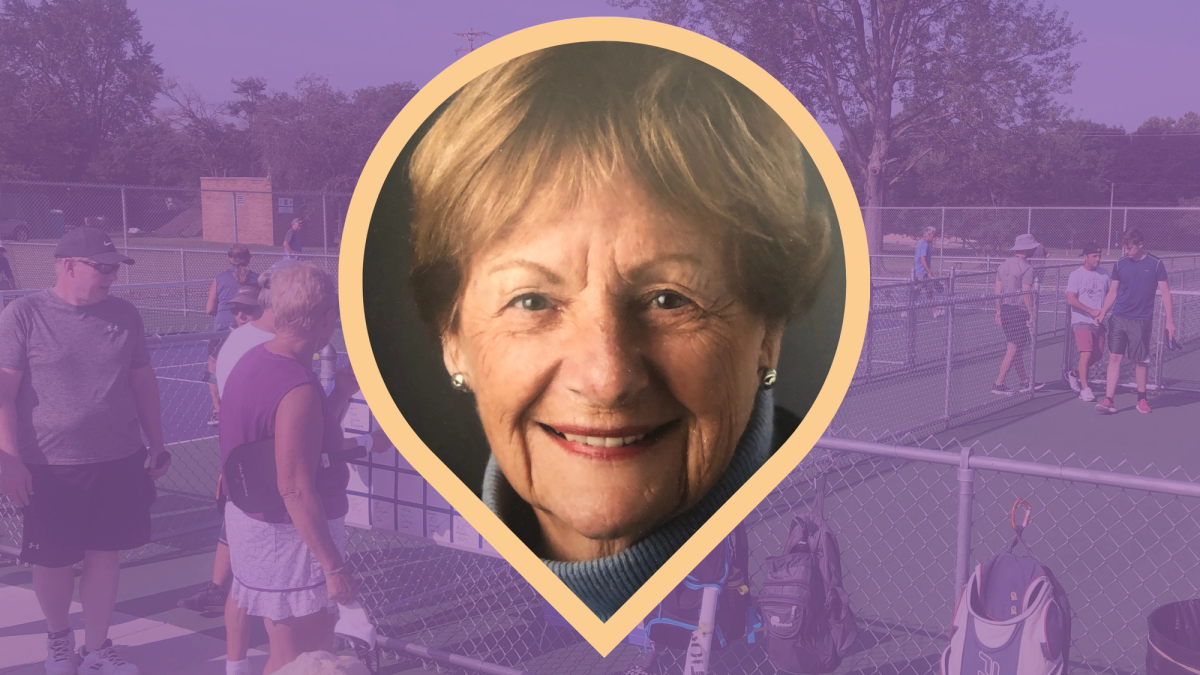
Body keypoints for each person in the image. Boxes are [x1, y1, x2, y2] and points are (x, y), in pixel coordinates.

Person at [405, 42, 833, 619]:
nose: (607, 378)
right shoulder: (437, 556)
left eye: (667, 299)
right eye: (531, 300)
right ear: (451, 338)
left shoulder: (826, 518)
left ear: (768, 332)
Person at [0, 227, 170, 675]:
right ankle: (59, 640)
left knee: (104, 554)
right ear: (69, 265)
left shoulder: (125, 315)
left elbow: (142, 382)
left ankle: (96, 649)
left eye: (115, 269)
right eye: (104, 267)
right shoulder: (24, 314)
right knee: (53, 560)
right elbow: (4, 390)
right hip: (48, 466)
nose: (112, 276)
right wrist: (9, 458)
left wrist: (157, 443)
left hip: (118, 459)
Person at [220, 263, 388, 675]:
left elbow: (295, 438)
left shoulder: (253, 360)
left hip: (261, 531)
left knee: (299, 659)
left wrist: (342, 390)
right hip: (288, 542)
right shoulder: (295, 384)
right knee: (298, 662)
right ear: (326, 318)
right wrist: (334, 567)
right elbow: (294, 487)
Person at [1093, 228, 1174, 414]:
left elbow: (1166, 293)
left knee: (1140, 360)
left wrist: (1170, 321)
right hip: (1119, 318)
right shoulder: (1120, 264)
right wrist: (1103, 312)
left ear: (1140, 245)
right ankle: (1108, 400)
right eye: (1124, 247)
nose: (1126, 251)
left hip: (1141, 320)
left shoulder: (1156, 264)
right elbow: (1113, 292)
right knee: (1114, 357)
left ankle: (1142, 399)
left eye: (1129, 248)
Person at [205, 244, 259, 425]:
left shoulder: (219, 279)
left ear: (228, 259)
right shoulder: (258, 279)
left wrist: (224, 316)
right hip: (251, 328)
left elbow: (209, 309)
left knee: (213, 368)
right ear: (249, 258)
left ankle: (218, 410)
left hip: (222, 329)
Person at [992, 233, 1045, 395]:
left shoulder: (1004, 264)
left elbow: (997, 290)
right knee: (1013, 348)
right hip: (1018, 311)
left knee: (1015, 348)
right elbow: (1026, 291)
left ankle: (1025, 382)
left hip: (1006, 309)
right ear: (1028, 249)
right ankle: (998, 383)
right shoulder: (1027, 267)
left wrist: (999, 310)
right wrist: (1031, 313)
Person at [1065, 243, 1111, 402]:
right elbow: (1071, 299)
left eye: (1099, 255)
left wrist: (1102, 312)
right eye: (1094, 256)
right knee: (1086, 353)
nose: (1098, 259)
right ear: (1085, 257)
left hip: (1098, 321)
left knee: (1097, 354)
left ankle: (1074, 374)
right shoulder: (1076, 275)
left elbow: (1111, 295)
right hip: (1081, 320)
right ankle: (1085, 388)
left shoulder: (1105, 274)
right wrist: (1091, 311)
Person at [912, 226, 944, 319]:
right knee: (916, 292)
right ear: (929, 234)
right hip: (922, 273)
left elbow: (915, 258)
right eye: (933, 234)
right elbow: (922, 259)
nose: (933, 236)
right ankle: (906, 310)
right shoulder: (924, 244)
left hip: (922, 272)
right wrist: (929, 271)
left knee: (929, 292)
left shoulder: (920, 243)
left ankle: (935, 311)